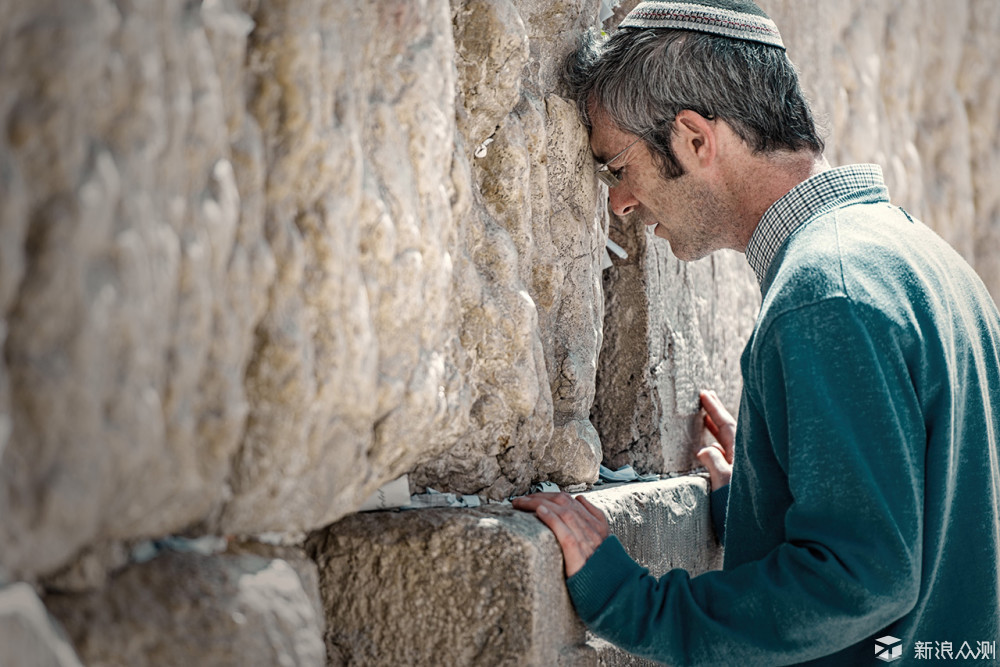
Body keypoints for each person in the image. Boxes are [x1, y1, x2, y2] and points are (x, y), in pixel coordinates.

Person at [512, 1, 1000, 664]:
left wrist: (637, 604)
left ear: (693, 139)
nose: (619, 203)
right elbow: (933, 522)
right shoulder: (927, 262)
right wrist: (767, 495)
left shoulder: (826, 293)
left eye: (617, 166)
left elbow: (860, 576)